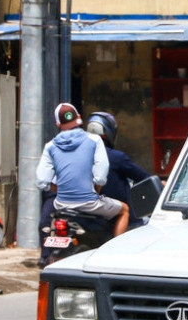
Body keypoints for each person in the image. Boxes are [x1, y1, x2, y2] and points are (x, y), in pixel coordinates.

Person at [36, 103, 129, 241]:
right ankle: (115, 251)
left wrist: (62, 190)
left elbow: (42, 182)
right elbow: (101, 176)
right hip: (89, 203)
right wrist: (95, 191)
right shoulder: (94, 140)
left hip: (61, 205)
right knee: (124, 210)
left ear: (57, 123)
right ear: (79, 117)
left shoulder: (50, 146)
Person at [85, 111, 152, 226]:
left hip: (85, 211)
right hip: (113, 217)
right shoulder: (117, 157)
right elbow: (144, 178)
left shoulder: (79, 156)